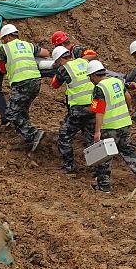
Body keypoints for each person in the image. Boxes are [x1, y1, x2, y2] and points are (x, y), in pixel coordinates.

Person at [86, 59, 136, 194]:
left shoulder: (99, 89)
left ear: (93, 75)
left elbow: (99, 111)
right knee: (127, 150)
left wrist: (97, 131)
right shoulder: (117, 81)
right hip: (125, 124)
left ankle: (104, 186)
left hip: (109, 127)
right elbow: (128, 98)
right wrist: (126, 111)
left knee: (105, 156)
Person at [0, 24, 45, 152]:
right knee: (22, 110)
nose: (3, 41)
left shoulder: (4, 49)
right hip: (36, 81)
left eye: (3, 39)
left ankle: (33, 134)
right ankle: (29, 140)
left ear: (8, 37)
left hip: (21, 82)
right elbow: (46, 52)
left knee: (12, 113)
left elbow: (1, 68)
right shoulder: (28, 45)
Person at [49, 45, 93, 173]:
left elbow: (55, 84)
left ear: (60, 60)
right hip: (94, 106)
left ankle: (69, 165)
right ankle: (98, 168)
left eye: (57, 62)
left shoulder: (64, 68)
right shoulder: (84, 62)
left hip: (79, 109)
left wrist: (57, 72)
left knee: (64, 135)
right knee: (92, 138)